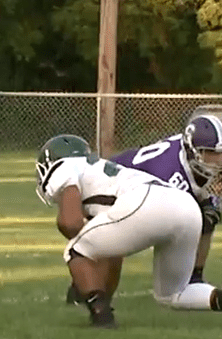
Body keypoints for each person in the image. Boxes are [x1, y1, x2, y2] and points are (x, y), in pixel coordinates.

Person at [35, 134, 222, 327]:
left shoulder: (65, 167)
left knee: (75, 249)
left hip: (145, 199)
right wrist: (99, 289)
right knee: (174, 294)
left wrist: (84, 265)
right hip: (185, 204)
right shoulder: (98, 170)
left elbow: (70, 222)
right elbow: (113, 251)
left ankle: (101, 317)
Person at [68, 114, 222, 303]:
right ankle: (83, 291)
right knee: (112, 250)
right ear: (193, 150)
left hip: (144, 188)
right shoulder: (171, 175)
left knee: (208, 216)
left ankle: (194, 277)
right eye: (212, 153)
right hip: (114, 189)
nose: (218, 159)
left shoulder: (190, 156)